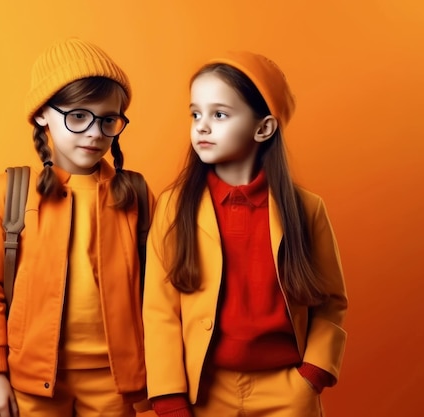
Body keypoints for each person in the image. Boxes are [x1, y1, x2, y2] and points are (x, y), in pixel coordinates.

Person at [142, 51, 348, 417]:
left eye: (219, 114)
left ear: (263, 128)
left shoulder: (307, 209)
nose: (201, 126)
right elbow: (160, 310)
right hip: (203, 389)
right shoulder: (174, 207)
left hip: (287, 390)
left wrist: (313, 373)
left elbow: (331, 301)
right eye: (195, 114)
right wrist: (168, 396)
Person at [0, 38, 155, 417]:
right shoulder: (8, 192)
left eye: (108, 119)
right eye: (78, 116)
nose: (95, 132)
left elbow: (161, 290)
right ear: (41, 115)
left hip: (117, 382)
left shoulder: (136, 194)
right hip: (31, 380)